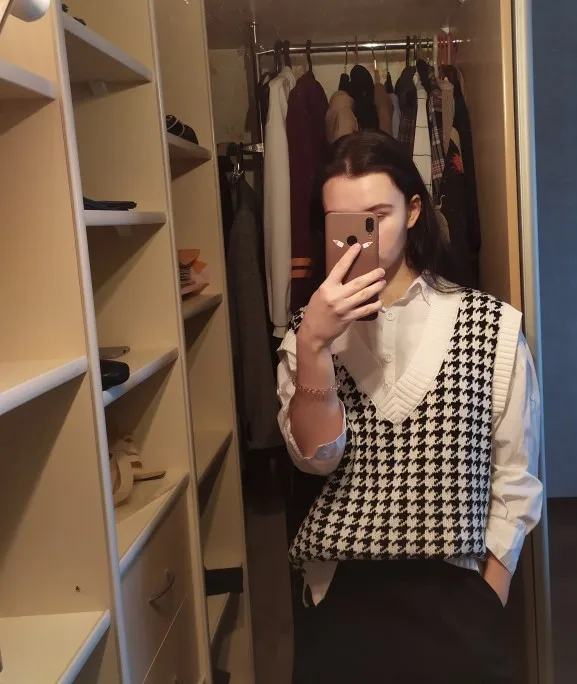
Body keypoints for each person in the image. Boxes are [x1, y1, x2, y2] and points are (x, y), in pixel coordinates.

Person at [277, 131, 543, 684]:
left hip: (458, 598)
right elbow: (317, 460)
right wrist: (315, 346)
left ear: (414, 210)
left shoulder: (491, 325)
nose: (360, 239)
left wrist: (489, 594)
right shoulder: (307, 334)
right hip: (342, 598)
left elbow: (514, 477)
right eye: (343, 222)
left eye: (378, 216)